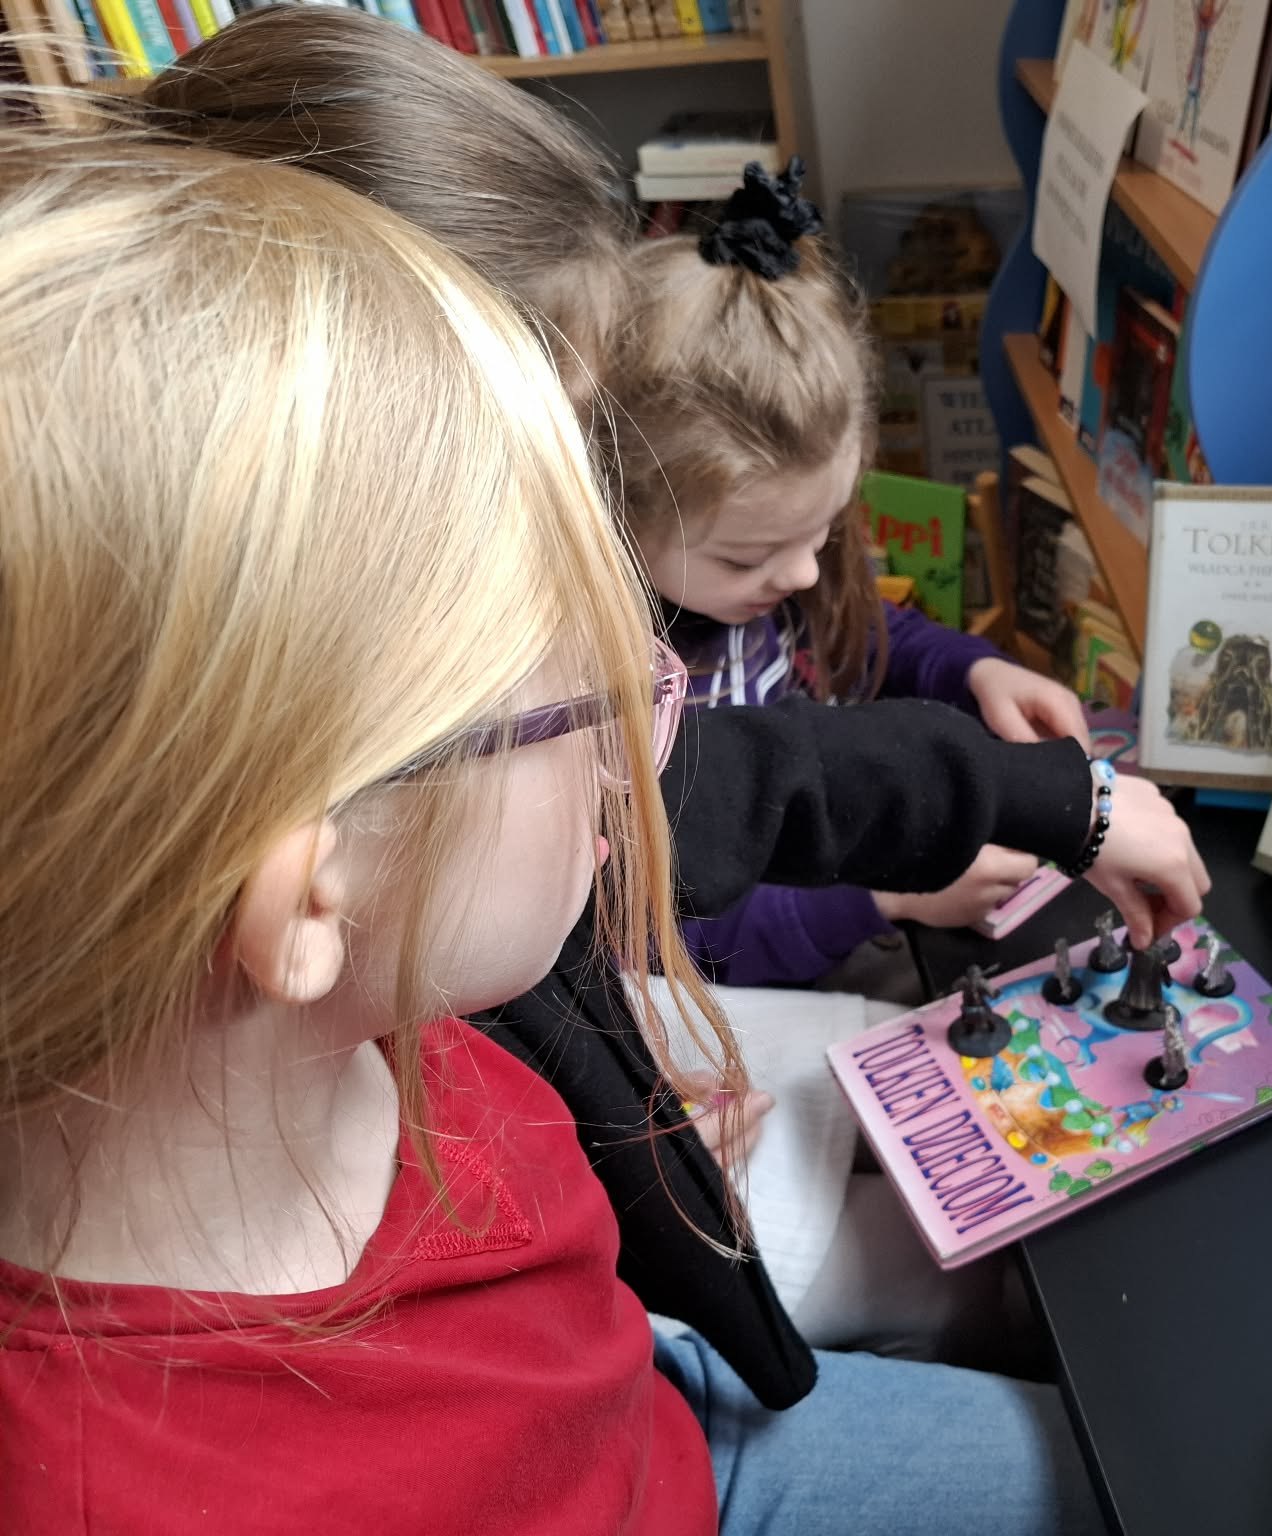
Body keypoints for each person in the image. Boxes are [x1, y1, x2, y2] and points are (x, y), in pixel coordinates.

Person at [0, 119, 1099, 1536]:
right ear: (310, 896)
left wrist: (636, 1119)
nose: (655, 746)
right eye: (589, 697)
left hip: (658, 1419)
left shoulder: (425, 1015)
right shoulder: (138, 1492)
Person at [138, 5, 1202, 1403]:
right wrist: (638, 1087)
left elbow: (723, 792)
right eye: (552, 471)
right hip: (631, 1167)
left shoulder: (432, 724)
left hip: (635, 1086)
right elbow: (652, 858)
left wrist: (628, 1059)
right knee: (969, 1287)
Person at [612, 160, 1093, 989]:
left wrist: (975, 670)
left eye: (826, 529)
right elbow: (659, 932)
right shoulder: (606, 690)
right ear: (617, 512)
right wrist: (882, 900)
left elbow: (863, 638)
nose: (803, 573)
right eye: (748, 558)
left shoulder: (772, 568)